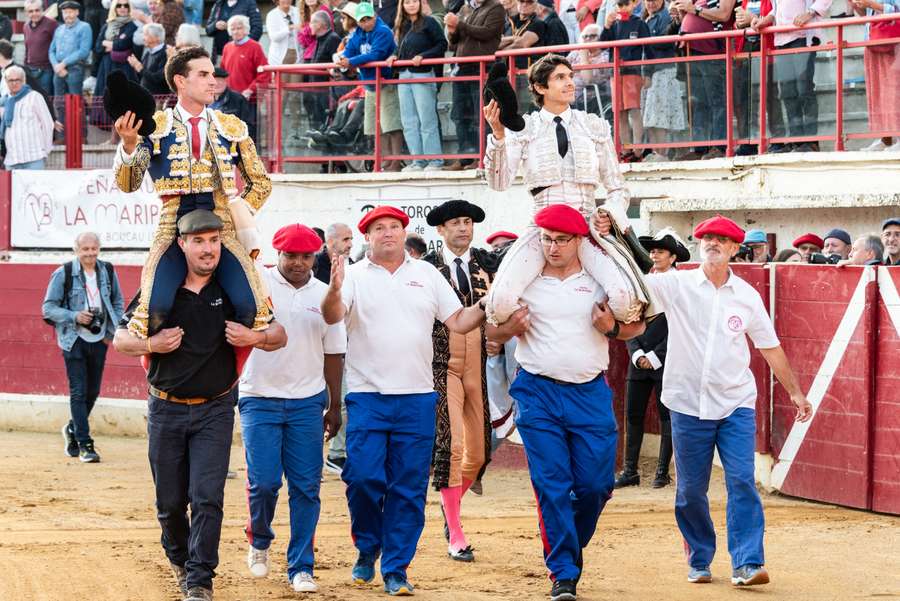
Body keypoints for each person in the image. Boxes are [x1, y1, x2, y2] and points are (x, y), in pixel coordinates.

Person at [594, 211, 813, 588]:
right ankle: (699, 556)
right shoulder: (676, 285)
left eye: (720, 240)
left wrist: (794, 391)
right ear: (699, 245)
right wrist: (612, 237)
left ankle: (747, 562)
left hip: (735, 402)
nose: (711, 243)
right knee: (691, 488)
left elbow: (770, 347)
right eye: (706, 238)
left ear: (732, 249)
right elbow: (634, 290)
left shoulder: (746, 296)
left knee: (742, 480)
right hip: (688, 404)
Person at [113, 209, 287, 601]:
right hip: (166, 408)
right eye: (198, 241)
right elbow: (120, 339)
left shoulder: (233, 292)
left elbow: (279, 333)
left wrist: (252, 337)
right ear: (182, 245)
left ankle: (199, 579)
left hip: (215, 408)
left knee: (208, 496)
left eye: (213, 241)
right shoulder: (159, 290)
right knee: (170, 503)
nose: (208, 250)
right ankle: (178, 557)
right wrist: (151, 344)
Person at [320, 205, 488, 595]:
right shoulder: (355, 276)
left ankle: (396, 567)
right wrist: (332, 289)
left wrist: (486, 305)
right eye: (379, 228)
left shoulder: (426, 274)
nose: (389, 234)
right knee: (362, 478)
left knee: (409, 487)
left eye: (395, 227)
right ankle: (367, 546)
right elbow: (332, 317)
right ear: (368, 237)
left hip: (417, 398)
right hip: (368, 397)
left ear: (403, 232)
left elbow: (459, 321)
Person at [487, 204, 647, 601]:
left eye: (561, 240)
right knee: (551, 483)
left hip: (589, 391)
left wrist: (611, 327)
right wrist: (510, 327)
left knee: (595, 486)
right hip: (536, 391)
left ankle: (568, 547)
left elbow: (639, 323)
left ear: (579, 241)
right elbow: (492, 334)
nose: (552, 247)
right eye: (546, 239)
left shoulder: (597, 280)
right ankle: (563, 573)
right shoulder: (524, 283)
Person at [113, 46, 273, 339]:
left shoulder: (231, 126)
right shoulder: (155, 126)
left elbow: (261, 183)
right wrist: (128, 146)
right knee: (155, 309)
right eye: (204, 74)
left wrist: (239, 212)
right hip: (172, 226)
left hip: (220, 225)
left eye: (213, 74)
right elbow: (128, 184)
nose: (214, 81)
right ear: (180, 81)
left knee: (252, 309)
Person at [483, 54, 651, 328]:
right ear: (540, 87)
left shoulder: (594, 125)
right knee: (499, 302)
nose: (570, 83)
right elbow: (499, 183)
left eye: (570, 76)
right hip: (542, 228)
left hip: (586, 225)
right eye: (560, 77)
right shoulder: (525, 128)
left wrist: (609, 213)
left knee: (626, 300)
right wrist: (499, 136)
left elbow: (617, 187)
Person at [239, 224, 345, 594]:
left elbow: (334, 352)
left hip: (307, 401)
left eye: (306, 256)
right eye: (291, 256)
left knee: (305, 487)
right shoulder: (257, 285)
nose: (299, 263)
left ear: (316, 257)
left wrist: (334, 405)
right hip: (259, 398)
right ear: (278, 255)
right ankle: (259, 538)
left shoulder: (325, 294)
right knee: (264, 483)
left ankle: (301, 566)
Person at [423, 200, 499, 563]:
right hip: (440, 365)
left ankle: (448, 504)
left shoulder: (486, 265)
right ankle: (455, 530)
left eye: (468, 222)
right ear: (441, 230)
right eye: (455, 223)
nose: (463, 228)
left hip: (477, 364)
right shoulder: (425, 269)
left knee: (480, 452)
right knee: (451, 447)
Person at [615, 228, 689, 490]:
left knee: (666, 415)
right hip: (639, 357)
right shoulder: (642, 280)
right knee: (633, 414)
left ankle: (662, 471)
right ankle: (630, 470)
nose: (654, 255)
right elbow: (630, 318)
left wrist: (657, 356)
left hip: (667, 359)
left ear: (673, 257)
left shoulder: (681, 285)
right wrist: (635, 352)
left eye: (660, 251)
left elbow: (682, 328)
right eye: (652, 251)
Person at [42, 231, 124, 464]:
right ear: (76, 250)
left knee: (93, 391)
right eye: (85, 249)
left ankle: (72, 428)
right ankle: (85, 444)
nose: (90, 253)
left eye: (93, 248)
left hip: (99, 338)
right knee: (78, 391)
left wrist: (115, 330)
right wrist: (75, 315)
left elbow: (117, 301)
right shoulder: (64, 273)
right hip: (73, 338)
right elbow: (48, 308)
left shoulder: (107, 270)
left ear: (99, 248)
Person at [751, 0, 832, 153]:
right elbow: (777, 9)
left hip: (802, 38)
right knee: (787, 92)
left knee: (804, 89)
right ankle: (796, 140)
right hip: (781, 39)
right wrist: (764, 21)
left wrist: (809, 13)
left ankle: (810, 141)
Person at [337, 2, 405, 171]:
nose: (365, 23)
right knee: (376, 127)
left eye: (368, 19)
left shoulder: (383, 31)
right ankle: (382, 161)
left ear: (374, 16)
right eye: (361, 20)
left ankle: (395, 161)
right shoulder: (358, 33)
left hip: (385, 83)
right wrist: (344, 59)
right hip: (369, 86)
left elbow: (376, 54)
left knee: (391, 125)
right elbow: (350, 50)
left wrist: (350, 61)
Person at [669, 0, 735, 160]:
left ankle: (719, 146)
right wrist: (682, 14)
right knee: (698, 102)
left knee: (717, 101)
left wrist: (694, 10)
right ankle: (700, 148)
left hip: (712, 50)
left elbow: (724, 15)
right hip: (694, 49)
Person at [443, 0, 504, 171]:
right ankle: (465, 158)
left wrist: (459, 24)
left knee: (481, 115)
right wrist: (452, 30)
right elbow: (453, 43)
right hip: (463, 67)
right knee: (460, 115)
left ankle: (483, 158)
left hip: (482, 67)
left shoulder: (496, 8)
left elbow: (488, 33)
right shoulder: (468, 9)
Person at [388, 0, 448, 172]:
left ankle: (435, 161)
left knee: (426, 119)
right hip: (404, 75)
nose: (411, 5)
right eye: (407, 2)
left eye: (414, 1)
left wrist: (423, 56)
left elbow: (442, 44)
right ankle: (418, 161)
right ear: (402, 5)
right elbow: (398, 47)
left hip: (422, 74)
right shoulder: (401, 24)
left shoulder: (429, 22)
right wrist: (393, 56)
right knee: (409, 121)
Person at [733, 0, 787, 154]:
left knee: (770, 97)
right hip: (746, 51)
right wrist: (739, 24)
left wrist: (752, 18)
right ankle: (747, 142)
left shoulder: (770, 1)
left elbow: (774, 18)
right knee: (745, 99)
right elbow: (739, 26)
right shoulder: (744, 2)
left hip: (766, 49)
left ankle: (778, 140)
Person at [600, 0, 649, 161]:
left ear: (634, 4)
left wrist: (647, 73)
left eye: (625, 4)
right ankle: (626, 148)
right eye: (619, 5)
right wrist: (606, 26)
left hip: (632, 72)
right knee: (619, 112)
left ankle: (638, 148)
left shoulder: (640, 24)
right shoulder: (613, 24)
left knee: (634, 110)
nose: (622, 8)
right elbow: (602, 45)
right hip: (616, 73)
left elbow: (649, 50)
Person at [853, 0, 900, 152]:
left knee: (895, 91)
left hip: (894, 41)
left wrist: (873, 5)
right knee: (876, 92)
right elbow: (865, 15)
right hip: (873, 39)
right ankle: (885, 138)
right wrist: (858, 5)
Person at [642, 0, 685, 161]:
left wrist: (644, 41)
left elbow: (664, 41)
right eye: (648, 0)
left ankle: (662, 154)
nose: (651, 3)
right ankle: (656, 153)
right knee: (651, 116)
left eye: (654, 0)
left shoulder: (666, 16)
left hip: (663, 71)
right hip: (649, 72)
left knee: (660, 116)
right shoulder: (646, 18)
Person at [1, 65, 54, 170]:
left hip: (34, 159)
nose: (14, 83)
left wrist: (45, 150)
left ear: (24, 80)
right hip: (12, 160)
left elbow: (48, 124)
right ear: (6, 82)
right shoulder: (4, 102)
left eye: (17, 80)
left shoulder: (34, 97)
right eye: (11, 80)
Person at [498, 0, 547, 113]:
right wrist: (513, 38)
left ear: (535, 4)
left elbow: (523, 43)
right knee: (508, 109)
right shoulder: (508, 22)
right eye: (521, 1)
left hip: (527, 74)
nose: (524, 4)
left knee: (526, 111)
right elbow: (494, 43)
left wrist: (502, 49)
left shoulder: (538, 23)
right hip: (508, 72)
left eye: (529, 2)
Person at [49, 1, 93, 124]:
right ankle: (62, 135)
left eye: (70, 12)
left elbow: (84, 51)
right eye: (65, 12)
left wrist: (63, 64)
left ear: (77, 12)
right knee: (58, 102)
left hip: (75, 68)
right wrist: (56, 66)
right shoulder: (59, 29)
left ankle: (81, 135)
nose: (67, 15)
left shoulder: (85, 27)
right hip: (58, 69)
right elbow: (51, 50)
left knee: (76, 102)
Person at [93, 0, 140, 102]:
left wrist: (108, 43)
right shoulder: (107, 25)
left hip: (124, 66)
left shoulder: (132, 26)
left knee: (123, 97)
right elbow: (97, 47)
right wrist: (113, 45)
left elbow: (124, 44)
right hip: (106, 65)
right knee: (105, 96)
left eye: (126, 5)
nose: (122, 8)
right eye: (119, 5)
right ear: (114, 8)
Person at [304, 10, 342, 133]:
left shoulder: (332, 38)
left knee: (326, 122)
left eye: (312, 23)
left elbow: (338, 65)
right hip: (317, 90)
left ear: (320, 24)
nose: (309, 26)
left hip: (328, 92)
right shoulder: (320, 39)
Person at [220, 15, 270, 103]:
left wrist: (250, 90)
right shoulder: (227, 47)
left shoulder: (255, 47)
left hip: (249, 99)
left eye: (239, 28)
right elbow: (223, 72)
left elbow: (265, 73)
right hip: (229, 99)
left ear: (246, 30)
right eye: (233, 29)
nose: (235, 32)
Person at [23, 0, 59, 95]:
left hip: (46, 70)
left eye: (37, 10)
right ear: (26, 13)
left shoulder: (52, 24)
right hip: (30, 69)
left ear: (42, 10)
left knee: (46, 99)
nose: (34, 13)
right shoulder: (26, 26)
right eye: (30, 11)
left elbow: (58, 46)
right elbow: (27, 48)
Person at [209, 66, 256, 137]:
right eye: (215, 81)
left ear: (226, 81)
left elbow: (248, 126)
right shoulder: (203, 100)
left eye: (220, 80)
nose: (217, 84)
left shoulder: (238, 99)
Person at [129, 22, 170, 95]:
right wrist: (136, 67)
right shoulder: (148, 53)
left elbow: (158, 78)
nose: (143, 38)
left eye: (146, 34)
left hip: (159, 99)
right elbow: (143, 76)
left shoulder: (166, 53)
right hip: (145, 96)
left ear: (156, 37)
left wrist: (140, 68)